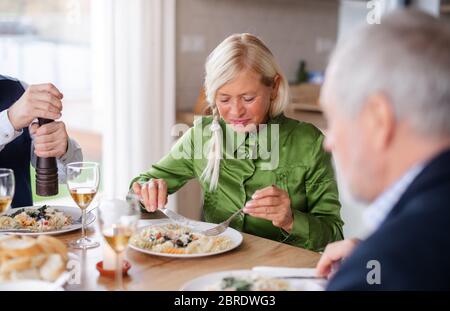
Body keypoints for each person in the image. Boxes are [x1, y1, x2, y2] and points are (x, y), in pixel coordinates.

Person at [130, 33, 343, 251]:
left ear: (274, 88)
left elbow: (333, 235)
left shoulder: (310, 143)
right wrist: (147, 192)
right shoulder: (201, 136)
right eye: (224, 99)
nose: (236, 111)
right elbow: (138, 188)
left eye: (248, 98)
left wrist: (290, 220)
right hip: (217, 269)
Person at [316, 10, 450, 290]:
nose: (329, 142)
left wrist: (380, 260)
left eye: (334, 119)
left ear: (378, 120)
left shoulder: (393, 266)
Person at [0, 75, 83, 208]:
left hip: (21, 226)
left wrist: (61, 147)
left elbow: (69, 173)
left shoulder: (18, 90)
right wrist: (9, 121)